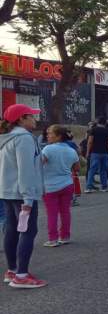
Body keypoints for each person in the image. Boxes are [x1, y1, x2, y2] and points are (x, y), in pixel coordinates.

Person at [0, 104, 46, 288]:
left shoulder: (6, 139)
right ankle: (21, 275)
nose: (35, 120)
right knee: (28, 231)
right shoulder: (25, 139)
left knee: (11, 229)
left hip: (7, 191)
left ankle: (12, 270)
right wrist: (28, 197)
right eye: (31, 116)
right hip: (22, 192)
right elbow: (25, 169)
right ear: (21, 119)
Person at [41, 125, 80, 247]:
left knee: (52, 213)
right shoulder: (71, 150)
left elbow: (38, 164)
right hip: (67, 184)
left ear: (58, 136)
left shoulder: (48, 149)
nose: (47, 135)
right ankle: (65, 236)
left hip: (50, 186)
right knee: (65, 212)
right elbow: (77, 168)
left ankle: (53, 239)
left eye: (50, 133)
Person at [85, 116, 108, 193]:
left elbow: (90, 142)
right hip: (105, 153)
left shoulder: (93, 130)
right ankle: (104, 187)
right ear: (105, 123)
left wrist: (88, 152)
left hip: (95, 152)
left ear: (98, 122)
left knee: (92, 170)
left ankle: (89, 187)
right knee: (103, 170)